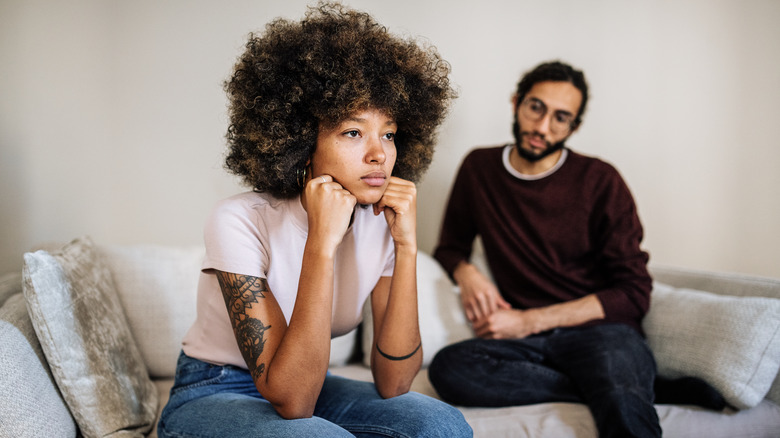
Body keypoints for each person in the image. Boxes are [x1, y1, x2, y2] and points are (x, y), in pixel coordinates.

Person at [157, 3, 471, 437]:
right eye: (353, 132)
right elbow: (294, 400)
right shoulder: (239, 220)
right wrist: (322, 243)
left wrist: (407, 245)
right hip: (213, 389)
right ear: (302, 141)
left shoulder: (380, 221)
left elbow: (395, 382)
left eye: (389, 133)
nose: (379, 153)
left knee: (441, 425)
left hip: (308, 378)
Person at [427, 61, 724, 438]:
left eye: (561, 118)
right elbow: (450, 247)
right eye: (536, 107)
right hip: (529, 346)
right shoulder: (479, 168)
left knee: (620, 403)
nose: (542, 127)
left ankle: (622, 385)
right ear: (517, 101)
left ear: (574, 127)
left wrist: (526, 320)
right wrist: (467, 273)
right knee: (450, 369)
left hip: (601, 334)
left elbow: (634, 293)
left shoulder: (601, 181)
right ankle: (644, 387)